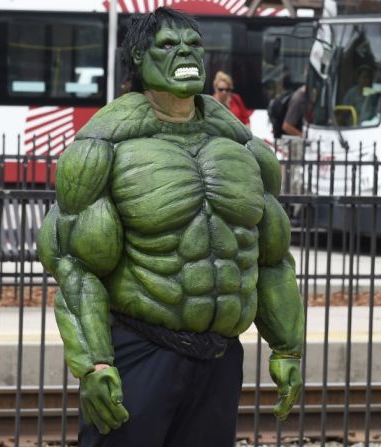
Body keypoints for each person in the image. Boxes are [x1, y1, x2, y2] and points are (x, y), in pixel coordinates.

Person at [37, 7, 304, 447]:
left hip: (219, 355)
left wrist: (286, 345)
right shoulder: (103, 144)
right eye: (168, 44)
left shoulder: (242, 146)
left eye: (194, 44)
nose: (185, 52)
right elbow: (74, 264)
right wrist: (94, 362)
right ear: (139, 58)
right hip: (142, 348)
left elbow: (272, 255)